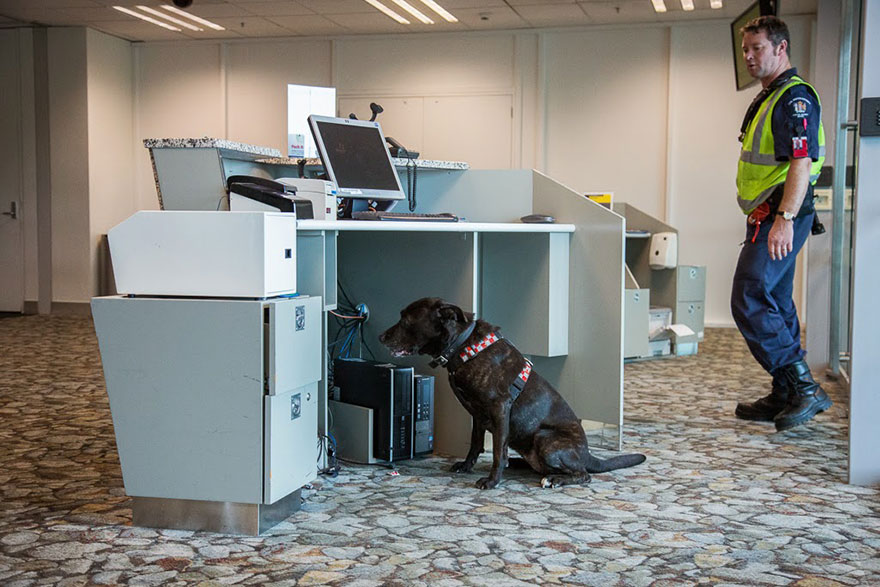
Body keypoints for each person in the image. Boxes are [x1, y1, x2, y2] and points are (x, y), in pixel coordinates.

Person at [731, 15, 832, 431]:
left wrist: (785, 218)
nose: (750, 57)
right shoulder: (770, 95)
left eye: (758, 49)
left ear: (781, 48)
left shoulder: (793, 97)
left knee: (750, 296)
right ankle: (785, 391)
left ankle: (803, 386)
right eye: (746, 50)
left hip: (782, 213)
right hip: (771, 213)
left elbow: (801, 161)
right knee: (774, 298)